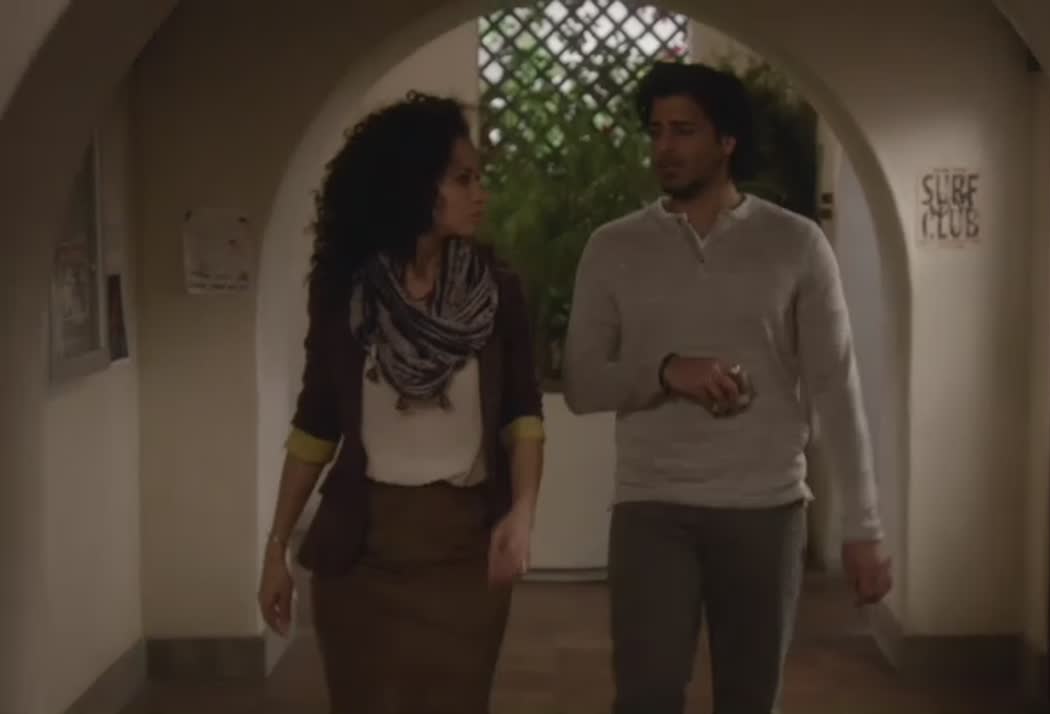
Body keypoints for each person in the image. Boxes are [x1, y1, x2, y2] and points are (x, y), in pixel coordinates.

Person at [563, 62, 892, 714]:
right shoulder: (613, 247)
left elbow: (835, 387)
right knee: (646, 695)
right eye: (656, 130)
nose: (665, 147)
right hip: (652, 507)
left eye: (684, 130)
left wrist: (864, 526)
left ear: (728, 141)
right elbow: (582, 382)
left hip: (764, 509)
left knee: (749, 699)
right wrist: (665, 370)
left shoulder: (796, 244)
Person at [256, 92, 546, 714]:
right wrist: (275, 547)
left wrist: (523, 511)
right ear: (414, 185)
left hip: (463, 552)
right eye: (463, 179)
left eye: (479, 178)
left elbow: (523, 415)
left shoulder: (497, 291)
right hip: (363, 551)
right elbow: (316, 422)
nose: (480, 193)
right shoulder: (347, 292)